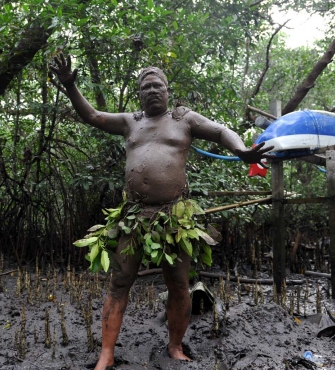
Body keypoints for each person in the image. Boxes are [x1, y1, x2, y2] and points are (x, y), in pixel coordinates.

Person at [49, 54, 273, 370]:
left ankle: (175, 346)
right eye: (146, 86)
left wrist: (241, 151)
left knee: (179, 284)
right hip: (134, 215)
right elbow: (94, 116)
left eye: (158, 85)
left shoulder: (185, 120)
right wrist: (71, 87)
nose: (153, 90)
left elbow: (221, 131)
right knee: (119, 282)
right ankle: (107, 355)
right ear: (139, 94)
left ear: (168, 91)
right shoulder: (131, 122)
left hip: (174, 217)